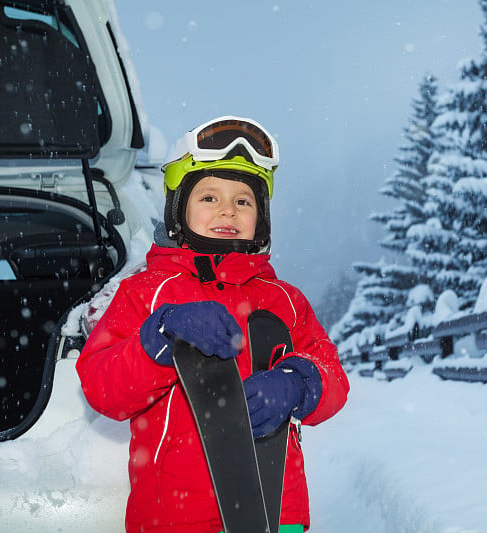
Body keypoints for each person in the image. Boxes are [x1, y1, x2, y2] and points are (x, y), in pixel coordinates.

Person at [76, 115, 350, 533]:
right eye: (209, 198)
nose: (228, 209)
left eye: (244, 200)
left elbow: (334, 377)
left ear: (262, 217)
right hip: (176, 518)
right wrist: (160, 336)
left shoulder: (286, 301)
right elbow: (101, 385)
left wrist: (299, 384)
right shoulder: (145, 293)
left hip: (277, 513)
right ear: (177, 208)